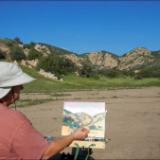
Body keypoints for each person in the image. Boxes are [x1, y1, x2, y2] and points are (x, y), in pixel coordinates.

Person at [0, 61, 89, 160]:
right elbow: (45, 154)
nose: (22, 88)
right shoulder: (14, 121)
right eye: (19, 85)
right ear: (8, 90)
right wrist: (73, 136)